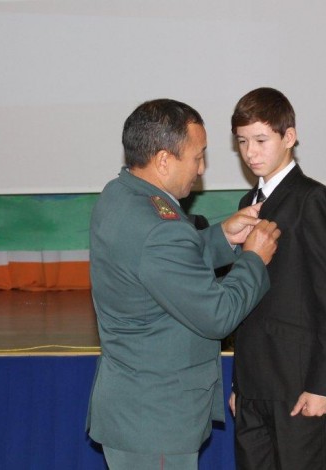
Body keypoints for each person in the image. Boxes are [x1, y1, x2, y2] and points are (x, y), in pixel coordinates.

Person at [86, 98, 281, 470]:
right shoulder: (159, 228)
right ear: (163, 160)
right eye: (198, 157)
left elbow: (158, 267)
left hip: (134, 409)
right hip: (156, 423)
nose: (202, 168)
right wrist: (254, 259)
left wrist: (222, 236)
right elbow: (218, 315)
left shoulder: (120, 194)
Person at [228, 87, 326, 470]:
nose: (250, 152)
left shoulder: (311, 199)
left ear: (289, 137)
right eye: (242, 142)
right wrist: (239, 383)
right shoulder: (247, 204)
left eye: (260, 140)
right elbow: (247, 300)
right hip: (253, 383)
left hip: (296, 381)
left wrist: (323, 384)